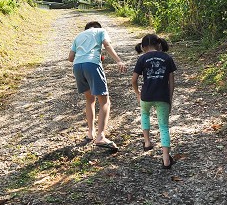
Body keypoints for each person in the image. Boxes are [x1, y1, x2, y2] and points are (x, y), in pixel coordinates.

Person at [68, 21, 127, 150]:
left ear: (86, 29)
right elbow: (106, 45)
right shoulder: (100, 31)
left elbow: (71, 57)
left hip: (77, 66)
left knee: (89, 99)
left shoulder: (79, 36)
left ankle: (91, 132)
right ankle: (100, 136)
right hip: (92, 65)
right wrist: (119, 61)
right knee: (105, 101)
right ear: (97, 27)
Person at [132, 33, 177, 168]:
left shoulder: (142, 59)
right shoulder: (167, 58)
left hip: (146, 95)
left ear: (144, 47)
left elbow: (134, 80)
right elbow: (171, 82)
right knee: (163, 127)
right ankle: (166, 160)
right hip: (162, 96)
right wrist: (169, 98)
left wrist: (138, 93)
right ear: (159, 45)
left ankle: (147, 142)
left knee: (144, 115)